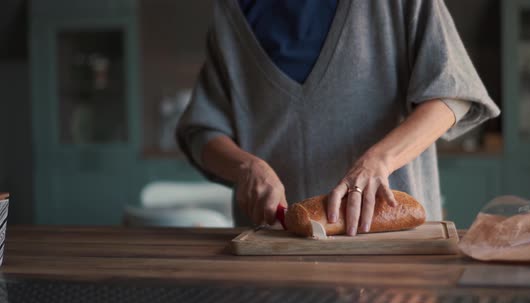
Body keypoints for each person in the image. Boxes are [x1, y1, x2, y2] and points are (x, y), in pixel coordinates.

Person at [176, 0, 500, 236]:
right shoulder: (232, 13)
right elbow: (202, 132)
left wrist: (379, 161)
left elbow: (452, 94)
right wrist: (246, 167)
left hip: (391, 251)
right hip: (274, 250)